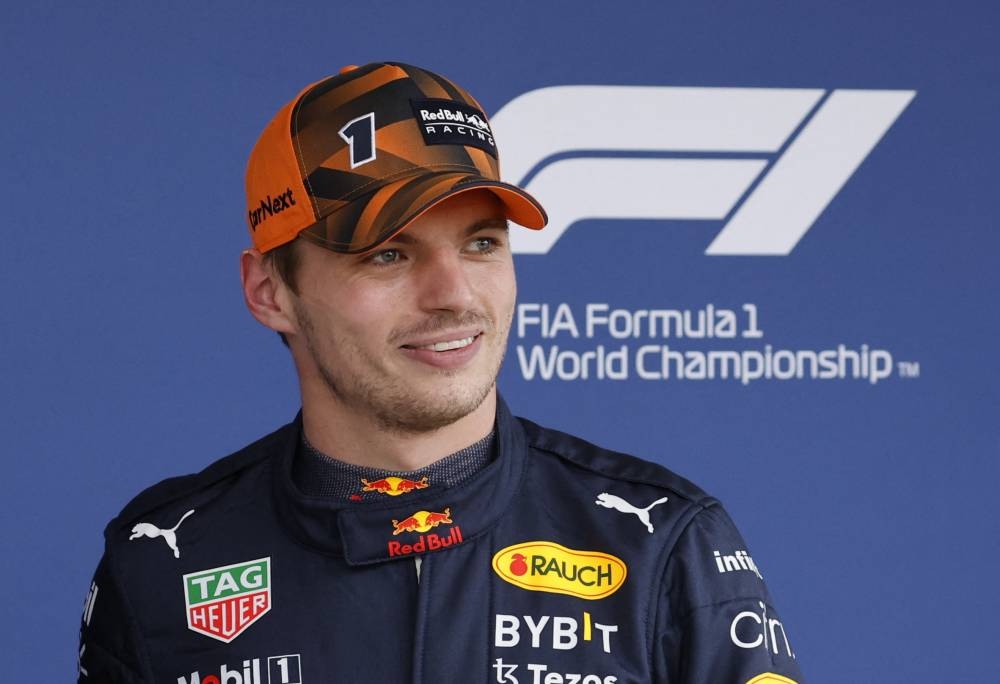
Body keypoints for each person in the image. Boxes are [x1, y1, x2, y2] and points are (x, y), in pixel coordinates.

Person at [78, 62, 804, 684]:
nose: (453, 294)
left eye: (482, 243)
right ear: (271, 292)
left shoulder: (664, 543)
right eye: (389, 254)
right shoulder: (159, 561)